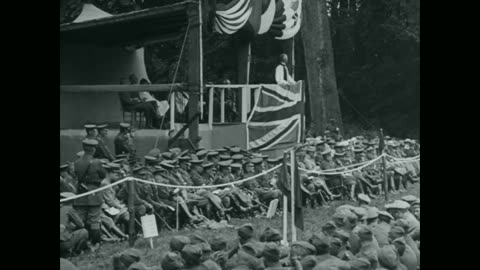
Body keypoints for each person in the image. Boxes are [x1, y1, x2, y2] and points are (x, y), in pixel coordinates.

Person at [73, 139, 106, 248]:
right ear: (93, 148)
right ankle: (96, 242)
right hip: (94, 194)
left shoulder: (76, 162)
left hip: (81, 193)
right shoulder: (97, 162)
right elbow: (103, 175)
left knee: (80, 220)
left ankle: (80, 244)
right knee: (94, 220)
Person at [60, 192, 89, 257]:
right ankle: (76, 252)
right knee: (84, 232)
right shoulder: (68, 208)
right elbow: (81, 224)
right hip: (63, 243)